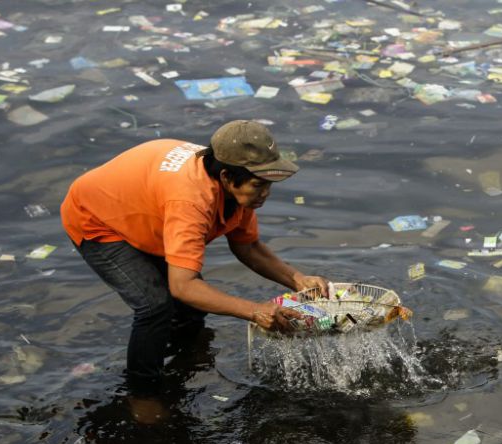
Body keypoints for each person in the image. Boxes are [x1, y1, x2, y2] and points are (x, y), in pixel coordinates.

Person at [61, 119, 327, 401]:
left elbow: (247, 246)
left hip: (148, 211)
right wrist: (256, 310)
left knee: (191, 312)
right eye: (258, 185)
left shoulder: (234, 186)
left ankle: (185, 361)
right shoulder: (191, 200)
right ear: (226, 177)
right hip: (98, 220)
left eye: (268, 185)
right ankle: (142, 397)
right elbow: (183, 286)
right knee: (154, 306)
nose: (265, 194)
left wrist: (297, 279)